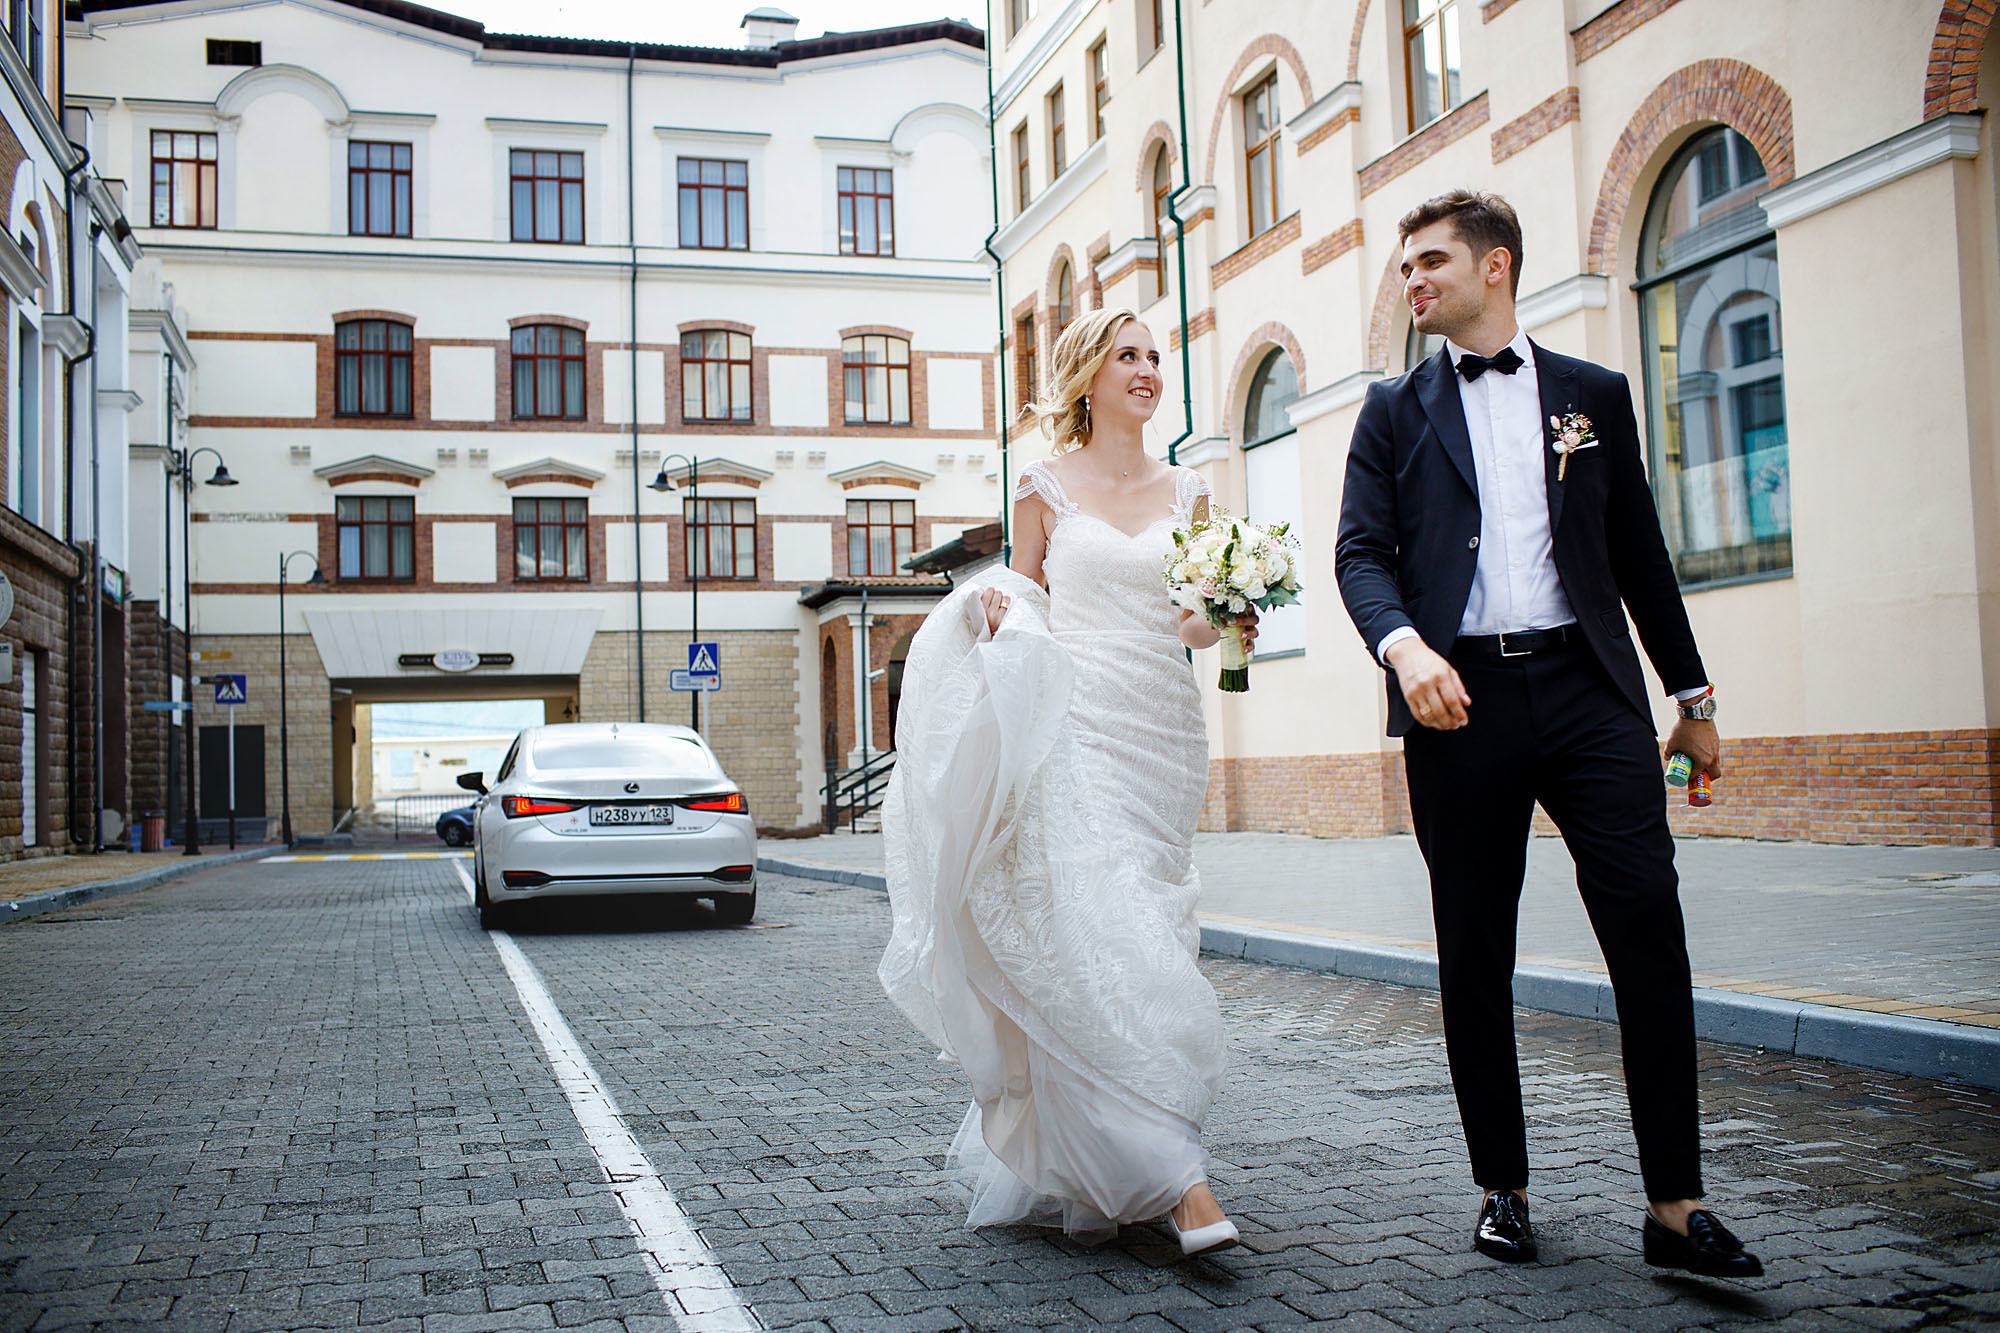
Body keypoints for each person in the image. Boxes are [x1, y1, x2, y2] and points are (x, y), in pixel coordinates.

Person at [1334, 190, 1763, 1279]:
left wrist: (1693, 701)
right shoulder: (1391, 409)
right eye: (1404, 265)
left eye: (1430, 260)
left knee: (1646, 928)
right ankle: (1503, 1188)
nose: (1410, 279)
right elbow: (1360, 555)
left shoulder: (1590, 396)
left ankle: (1674, 1206)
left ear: (1496, 266)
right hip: (1456, 700)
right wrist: (1403, 649)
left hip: (1587, 693)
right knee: (1475, 950)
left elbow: (1638, 556)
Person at [879, 307, 1255, 1254]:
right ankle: (1178, 1178)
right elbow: (1029, 588)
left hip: (1163, 727)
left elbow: (1193, 625)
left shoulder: (1191, 489)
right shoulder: (1043, 484)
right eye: (1126, 355)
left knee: (1155, 926)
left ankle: (1114, 1144)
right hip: (1075, 722)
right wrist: (998, 605)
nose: (1145, 369)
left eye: (1153, 356)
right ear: (1087, 374)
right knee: (1098, 923)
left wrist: (1230, 604)